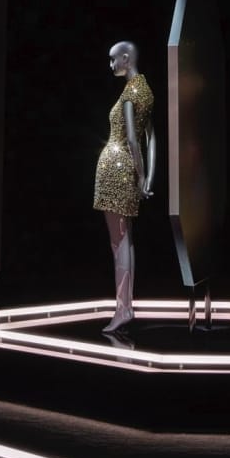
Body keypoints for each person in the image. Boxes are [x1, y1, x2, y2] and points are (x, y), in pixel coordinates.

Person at [92, 40, 155, 334]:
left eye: (113, 59)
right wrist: (148, 176)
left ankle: (123, 309)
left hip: (116, 168)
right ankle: (125, 306)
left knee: (118, 242)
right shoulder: (146, 91)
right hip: (127, 169)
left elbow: (132, 139)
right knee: (126, 239)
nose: (111, 65)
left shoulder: (130, 93)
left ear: (126, 58)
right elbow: (151, 137)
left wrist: (141, 176)